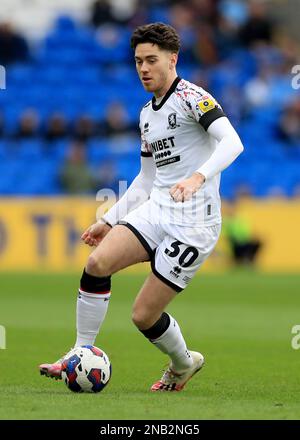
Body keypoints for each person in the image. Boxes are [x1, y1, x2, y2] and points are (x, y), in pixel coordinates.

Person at [39, 22, 244, 391]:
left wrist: (197, 177)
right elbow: (146, 180)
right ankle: (79, 352)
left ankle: (183, 363)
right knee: (97, 263)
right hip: (157, 210)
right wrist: (109, 219)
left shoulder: (194, 98)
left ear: (172, 59)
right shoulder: (146, 114)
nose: (144, 69)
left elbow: (232, 142)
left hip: (194, 224)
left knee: (143, 315)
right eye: (138, 61)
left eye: (151, 60)